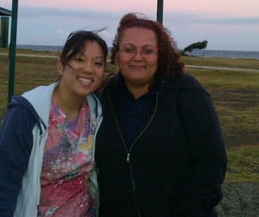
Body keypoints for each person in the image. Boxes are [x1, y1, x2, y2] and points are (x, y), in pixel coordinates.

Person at [95, 13, 227, 217]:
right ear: (117, 53)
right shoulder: (104, 94)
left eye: (148, 51)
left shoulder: (186, 93)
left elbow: (211, 167)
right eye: (129, 49)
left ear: (161, 54)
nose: (137, 57)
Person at [0, 30, 108, 217]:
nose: (89, 69)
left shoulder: (97, 112)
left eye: (97, 63)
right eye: (79, 59)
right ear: (60, 66)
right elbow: (3, 185)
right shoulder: (26, 114)